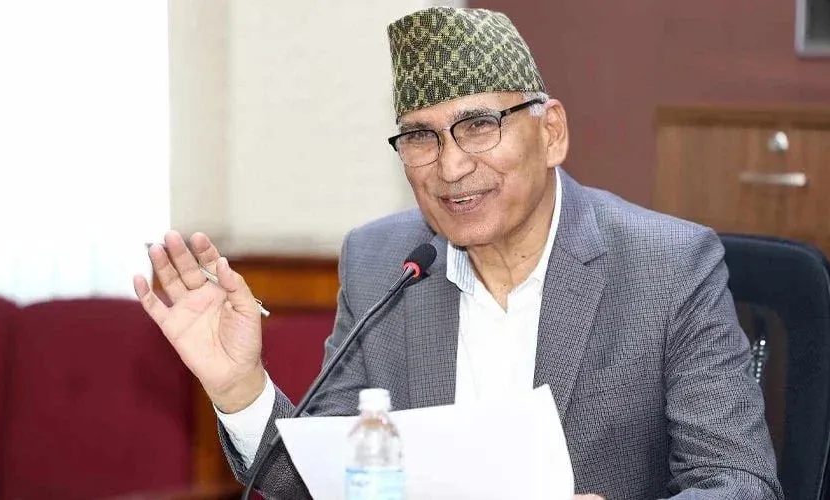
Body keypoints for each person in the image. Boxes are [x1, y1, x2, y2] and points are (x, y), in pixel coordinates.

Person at [133, 6, 783, 499]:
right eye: (421, 137)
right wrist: (240, 388)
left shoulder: (667, 263)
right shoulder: (382, 262)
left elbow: (741, 480)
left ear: (551, 132)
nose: (450, 168)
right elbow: (327, 485)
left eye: (479, 126)